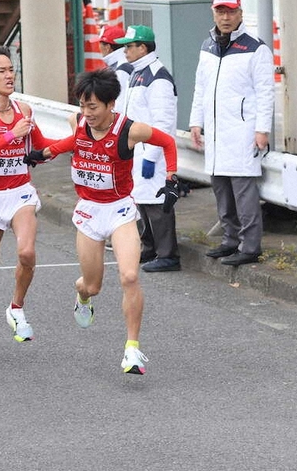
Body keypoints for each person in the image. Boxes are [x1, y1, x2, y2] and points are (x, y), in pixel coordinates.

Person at [25, 68, 181, 375]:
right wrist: (44, 153)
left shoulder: (129, 130)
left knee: (130, 276)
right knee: (93, 285)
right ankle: (82, 295)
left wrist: (171, 177)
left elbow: (167, 142)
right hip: (89, 211)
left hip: (121, 210)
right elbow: (74, 141)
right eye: (83, 105)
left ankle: (132, 350)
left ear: (111, 104)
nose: (86, 113)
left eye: (93, 106)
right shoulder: (79, 121)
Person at [0, 45, 58, 350]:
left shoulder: (24, 111)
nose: (9, 75)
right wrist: (9, 136)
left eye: (11, 69)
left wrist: (76, 142)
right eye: (2, 71)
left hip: (20, 194)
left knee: (27, 254)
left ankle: (16, 309)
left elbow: (40, 148)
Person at [189, 0, 275, 266]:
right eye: (220, 12)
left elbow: (266, 92)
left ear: (240, 13)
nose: (225, 17)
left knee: (243, 190)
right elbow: (200, 88)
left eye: (230, 12)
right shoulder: (208, 46)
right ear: (214, 13)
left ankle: (250, 246)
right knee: (220, 187)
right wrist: (195, 122)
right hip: (215, 131)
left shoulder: (256, 48)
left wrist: (262, 129)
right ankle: (230, 240)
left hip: (242, 131)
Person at [112, 25, 181, 273]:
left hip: (152, 152)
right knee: (141, 200)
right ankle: (150, 247)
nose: (125, 51)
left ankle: (168, 254)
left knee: (157, 202)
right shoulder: (138, 73)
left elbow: (162, 122)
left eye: (129, 46)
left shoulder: (157, 76)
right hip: (137, 150)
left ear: (143, 47)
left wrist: (152, 156)